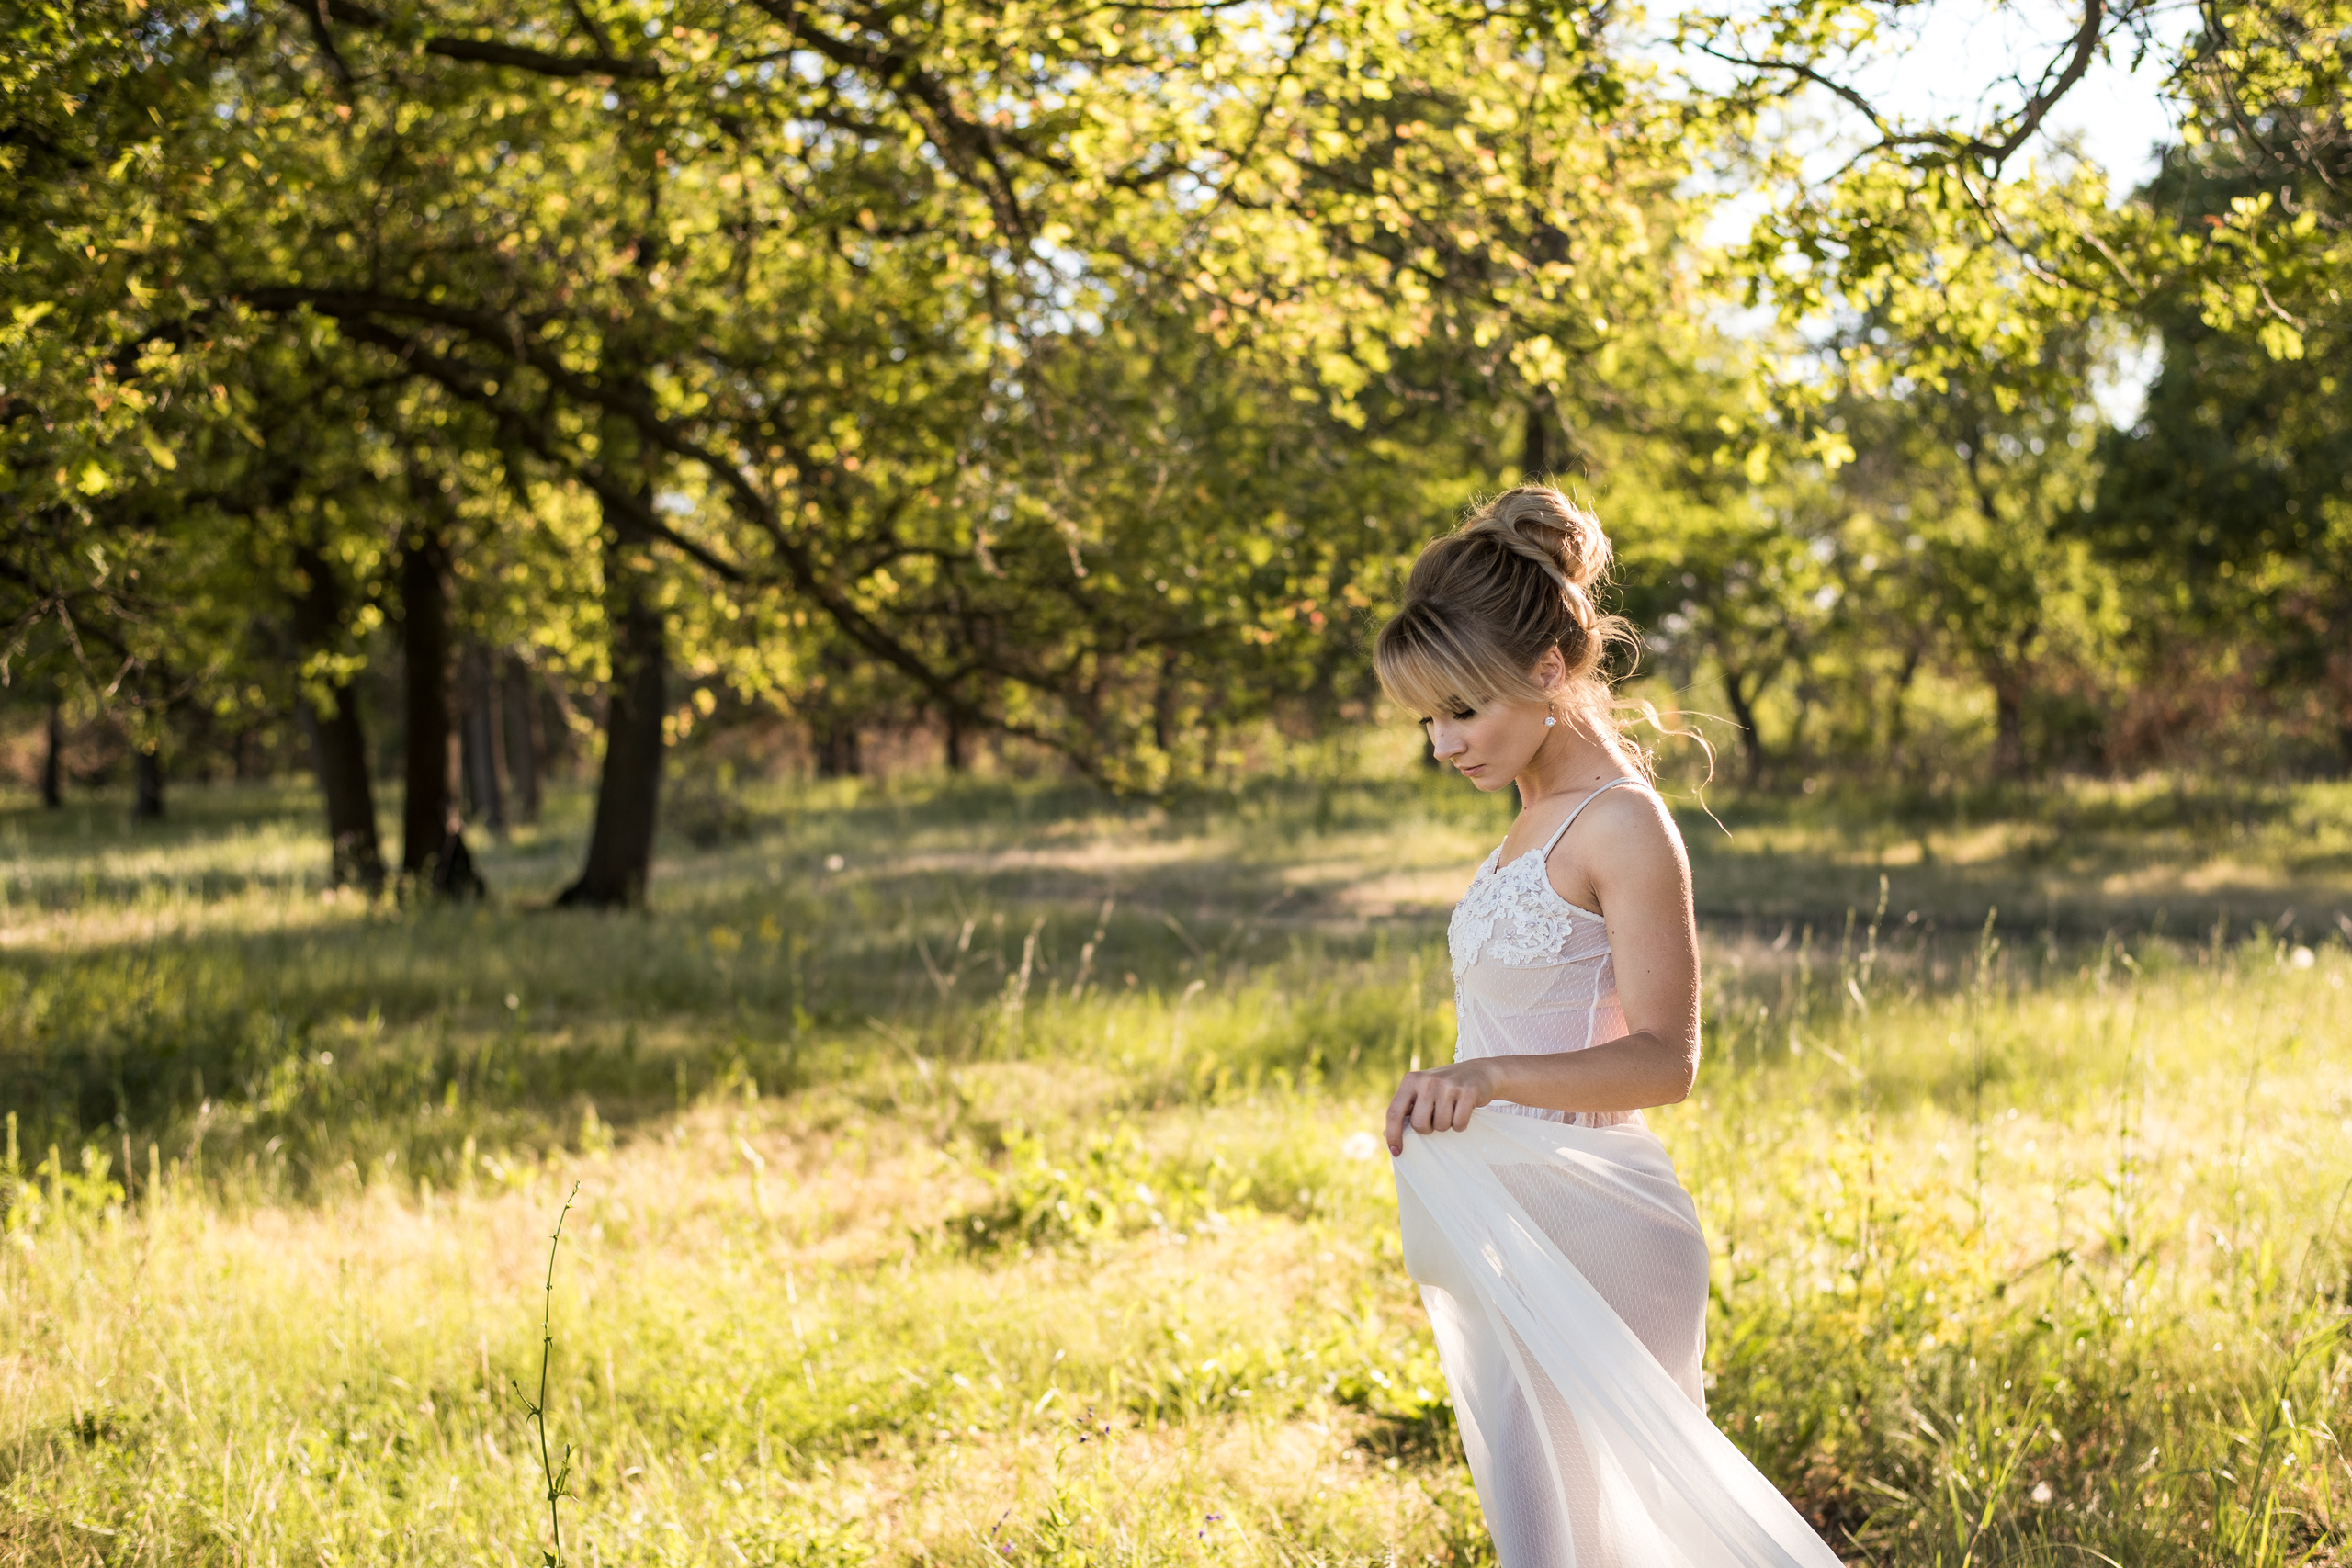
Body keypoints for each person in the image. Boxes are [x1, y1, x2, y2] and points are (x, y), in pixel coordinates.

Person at [1374, 486, 1841, 1565]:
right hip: (1514, 1221)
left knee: (1600, 1542)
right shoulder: (1529, 812)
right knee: (1547, 1537)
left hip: (1599, 1230)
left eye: (1461, 709)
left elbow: (1662, 1063)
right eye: (1427, 719)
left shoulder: (1621, 823)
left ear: (1544, 672)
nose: (1443, 743)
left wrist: (1483, 1076)